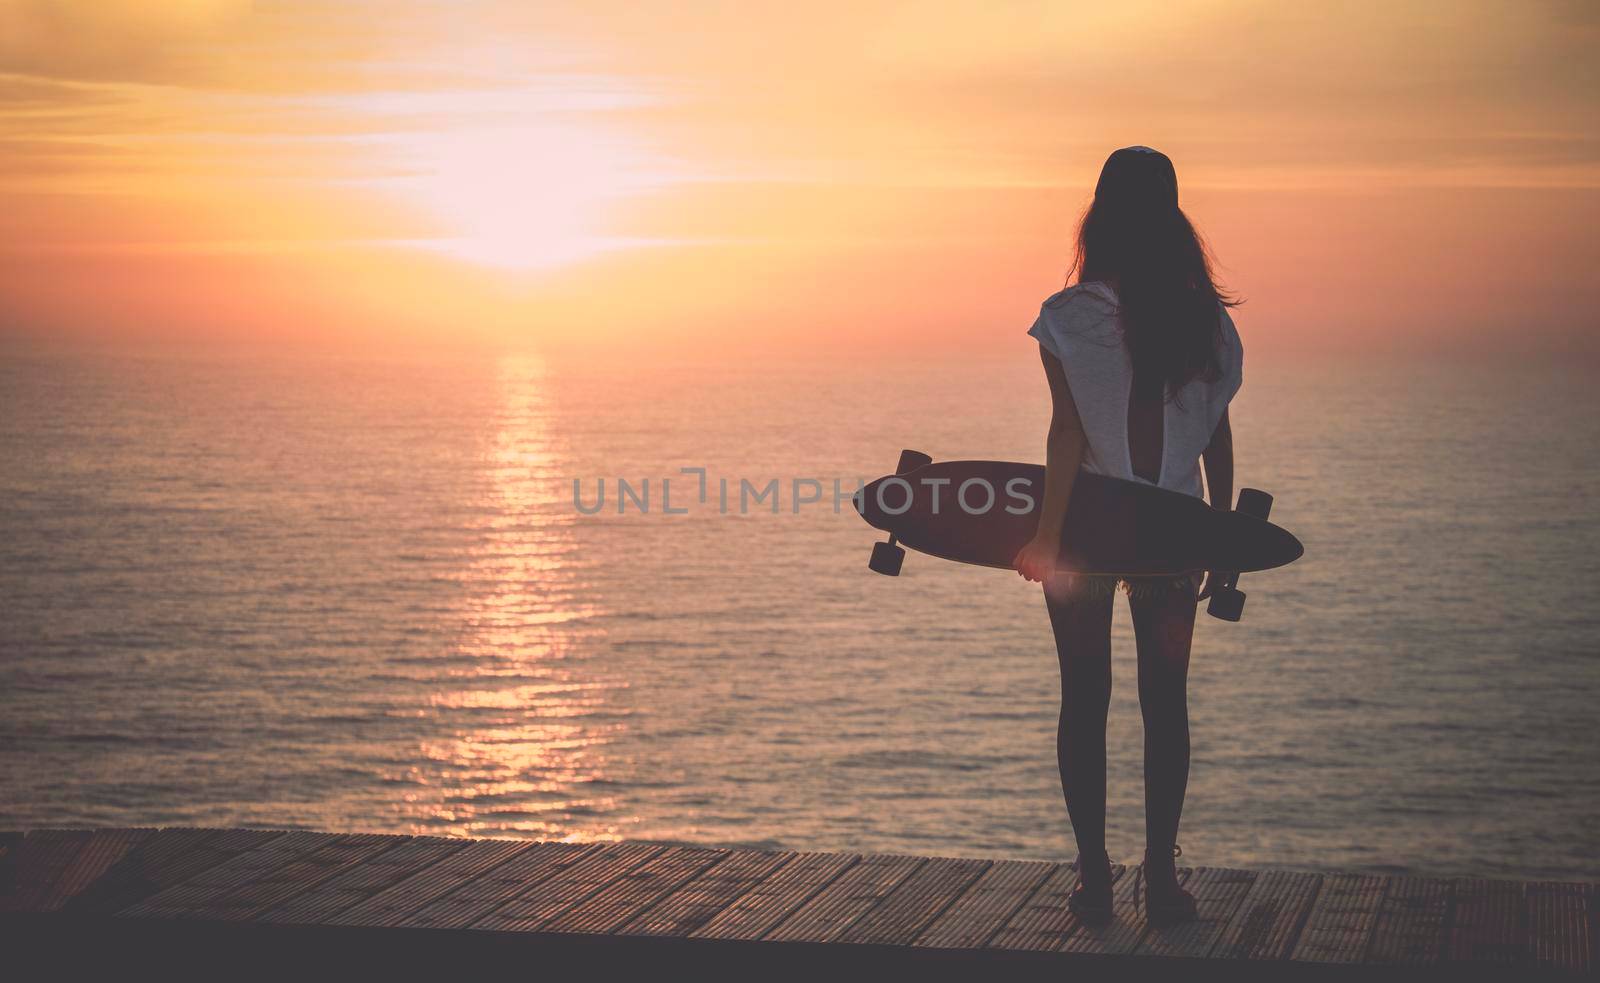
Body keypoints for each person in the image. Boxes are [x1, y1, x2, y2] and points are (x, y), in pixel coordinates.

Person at [1012, 146, 1243, 927]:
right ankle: (1162, 880)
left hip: (1084, 535)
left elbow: (1066, 435)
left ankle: (1095, 875)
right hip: (1172, 537)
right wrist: (1217, 530)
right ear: (1173, 217)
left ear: (1101, 214)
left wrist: (1045, 539)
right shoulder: (1204, 319)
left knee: (1085, 702)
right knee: (1165, 707)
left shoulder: (1070, 317)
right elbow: (1215, 433)